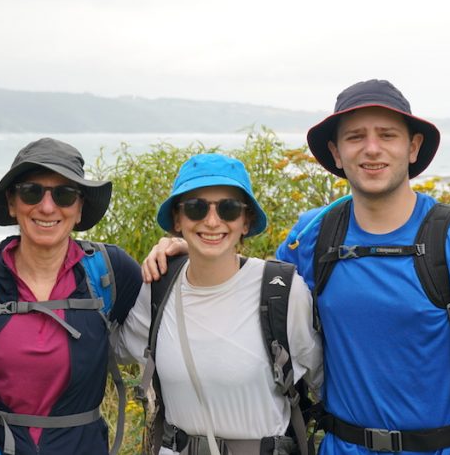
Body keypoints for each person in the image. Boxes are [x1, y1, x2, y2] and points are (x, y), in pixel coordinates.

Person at [145, 80, 450, 455]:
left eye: (387, 135)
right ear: (336, 151)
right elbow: (258, 293)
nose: (372, 149)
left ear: (413, 147)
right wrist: (195, 248)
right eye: (356, 137)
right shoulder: (315, 234)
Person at [0, 137, 143, 455]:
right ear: (11, 203)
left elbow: (169, 318)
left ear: (80, 206)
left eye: (64, 194)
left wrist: (178, 251)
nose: (47, 207)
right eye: (31, 192)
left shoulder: (111, 272)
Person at [117, 153, 322, 455]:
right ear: (178, 218)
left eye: (228, 209)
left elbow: (325, 381)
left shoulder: (283, 292)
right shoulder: (158, 289)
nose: (212, 221)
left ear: (245, 220)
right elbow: (108, 350)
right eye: (196, 208)